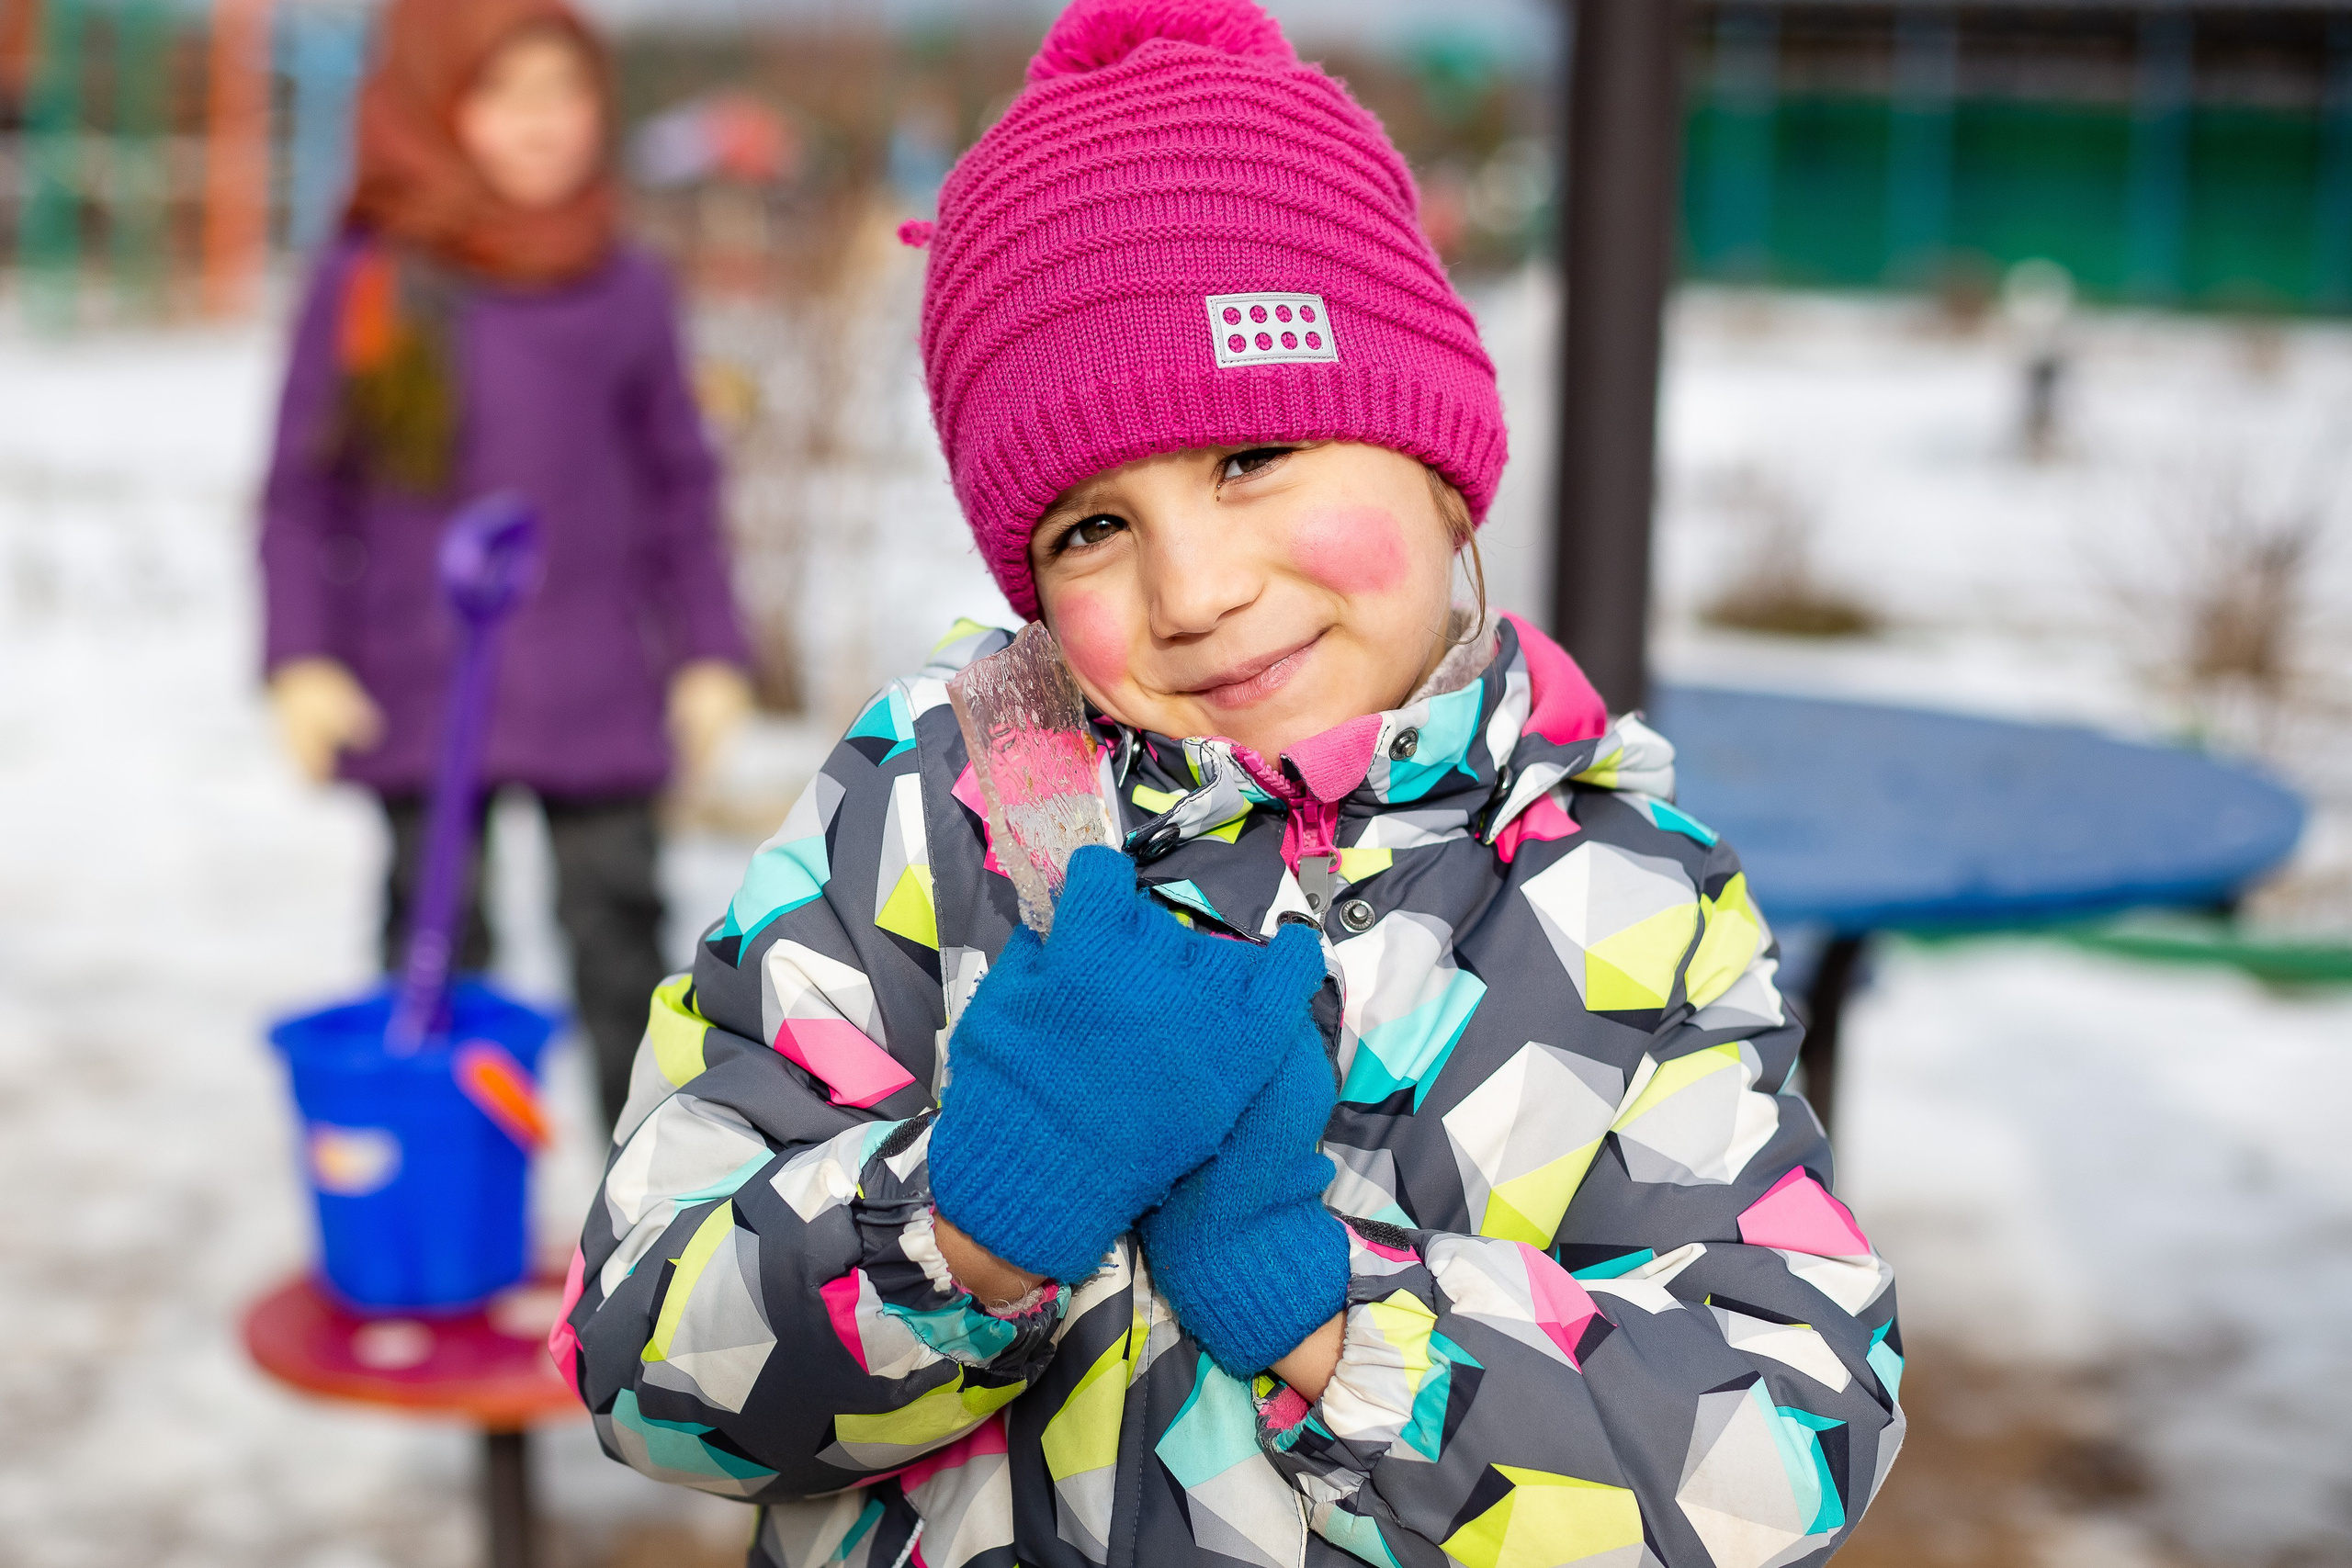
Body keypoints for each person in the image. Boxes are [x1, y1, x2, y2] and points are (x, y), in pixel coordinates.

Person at [557, 3, 1903, 1563]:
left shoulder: (1621, 894)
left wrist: (1324, 1309)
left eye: (1251, 455)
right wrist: (969, 1227)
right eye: (1089, 528)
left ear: (1435, 450)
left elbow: (1790, 1438)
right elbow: (640, 1363)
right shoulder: (930, 818)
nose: (1192, 587)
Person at [258, 0, 753, 1133]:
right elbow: (303, 489)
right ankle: (445, 1202)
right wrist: (301, 655)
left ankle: (646, 1214)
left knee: (620, 936)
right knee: (434, 952)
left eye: (564, 93)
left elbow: (681, 480)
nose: (542, 126)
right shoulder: (376, 279)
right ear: (440, 104)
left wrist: (709, 648)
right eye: (504, 94)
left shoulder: (622, 283)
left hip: (592, 678)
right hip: (422, 674)